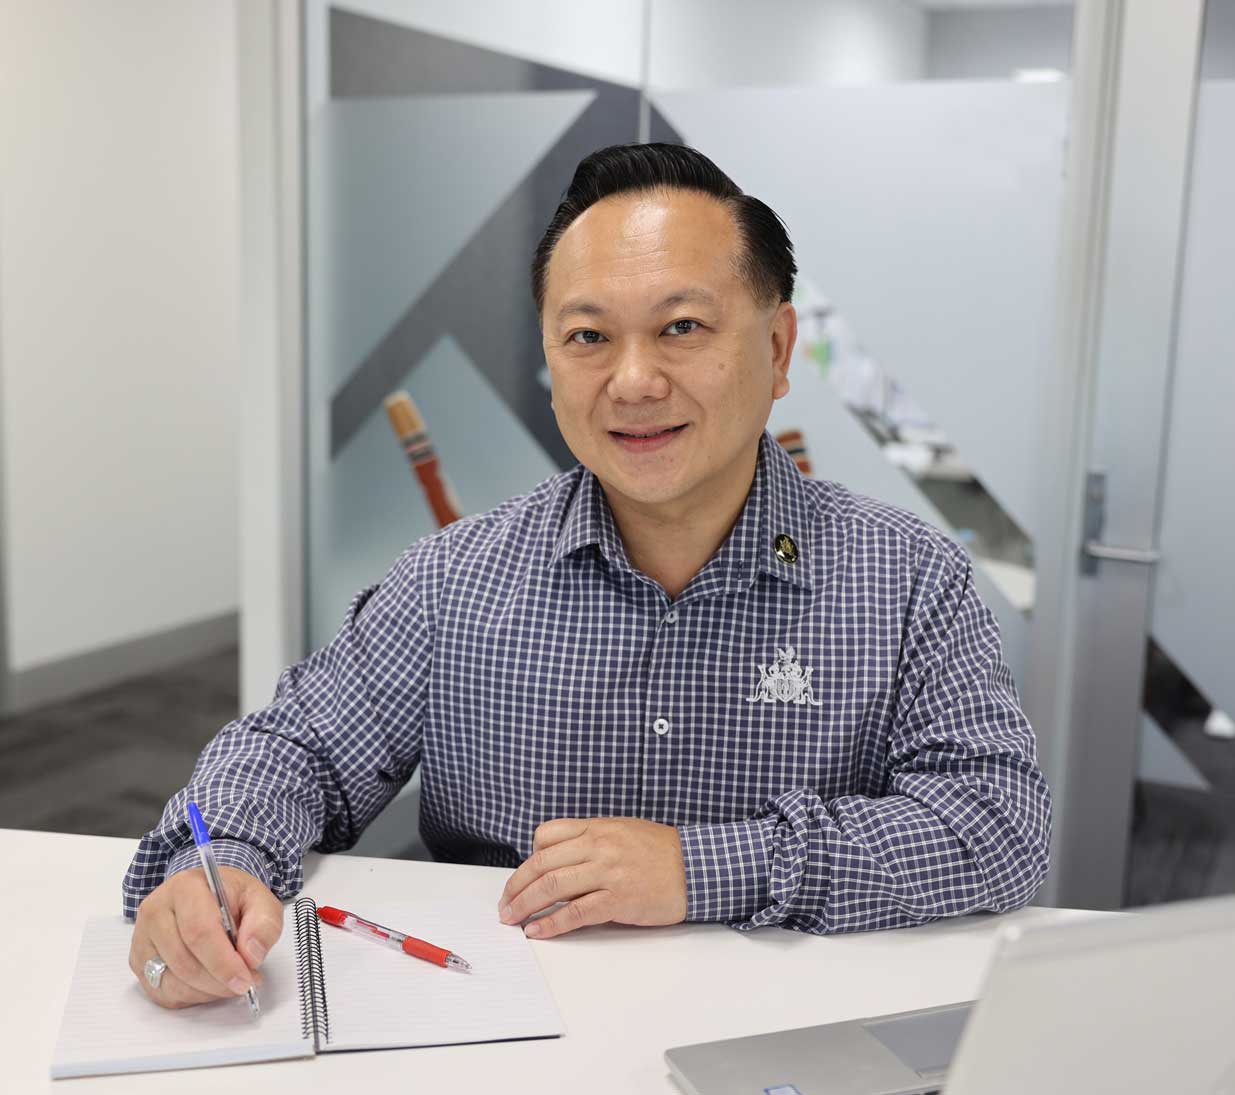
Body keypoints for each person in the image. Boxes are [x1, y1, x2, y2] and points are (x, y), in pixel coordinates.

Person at [123, 143, 1052, 1010]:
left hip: (782, 1024)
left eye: (681, 326)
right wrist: (224, 862)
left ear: (775, 351)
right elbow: (298, 749)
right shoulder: (458, 577)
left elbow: (996, 825)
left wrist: (703, 868)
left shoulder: (904, 577)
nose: (634, 379)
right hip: (501, 1018)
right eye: (588, 337)